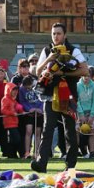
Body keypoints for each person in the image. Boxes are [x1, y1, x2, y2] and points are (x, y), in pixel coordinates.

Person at [31, 23, 87, 173]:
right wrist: (49, 59)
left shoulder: (74, 50)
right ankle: (41, 163)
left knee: (69, 131)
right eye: (53, 33)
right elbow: (38, 71)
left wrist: (62, 74)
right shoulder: (47, 50)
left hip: (68, 96)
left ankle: (70, 167)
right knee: (47, 129)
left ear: (65, 35)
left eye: (58, 33)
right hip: (49, 96)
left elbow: (84, 71)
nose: (55, 36)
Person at [76, 69, 94, 159]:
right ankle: (75, 150)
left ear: (92, 76)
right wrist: (81, 114)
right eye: (85, 75)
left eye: (88, 76)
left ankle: (92, 151)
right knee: (77, 130)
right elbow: (77, 101)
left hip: (90, 113)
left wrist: (92, 115)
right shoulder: (77, 86)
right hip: (79, 112)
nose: (86, 77)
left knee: (93, 130)